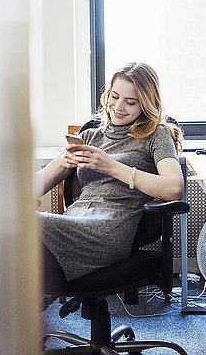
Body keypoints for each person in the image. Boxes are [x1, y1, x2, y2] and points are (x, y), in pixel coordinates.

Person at [35, 61, 184, 282]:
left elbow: (174, 189)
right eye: (114, 97)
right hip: (74, 220)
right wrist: (63, 162)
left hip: (108, 231)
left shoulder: (156, 136)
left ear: (146, 103)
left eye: (130, 102)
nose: (118, 107)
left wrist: (111, 167)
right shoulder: (89, 137)